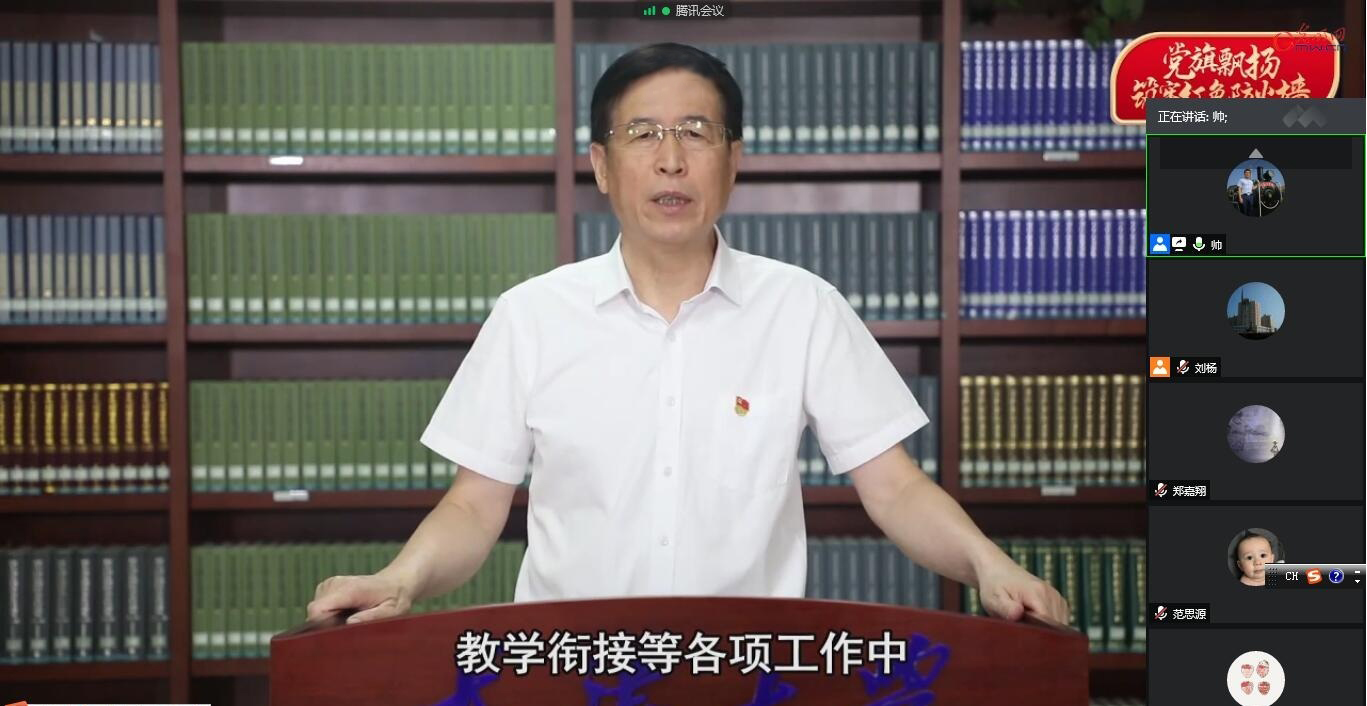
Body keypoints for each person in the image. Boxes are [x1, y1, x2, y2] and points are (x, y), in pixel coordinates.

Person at [307, 43, 1068, 627]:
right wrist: (401, 580)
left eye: (696, 133)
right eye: (642, 134)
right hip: (572, 669)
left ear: (733, 161)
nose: (670, 159)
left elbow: (894, 487)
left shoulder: (802, 307)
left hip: (744, 669)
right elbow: (475, 507)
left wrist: (987, 565)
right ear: (601, 165)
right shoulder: (531, 316)